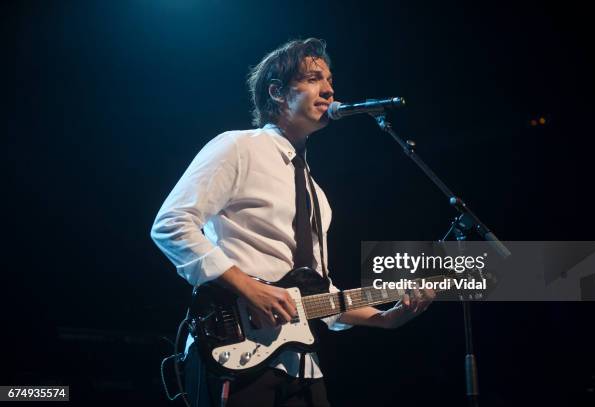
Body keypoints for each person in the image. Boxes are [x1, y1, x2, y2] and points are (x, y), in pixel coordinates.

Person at [151, 38, 434, 407]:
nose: (330, 89)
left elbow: (317, 295)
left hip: (303, 368)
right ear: (278, 93)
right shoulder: (238, 147)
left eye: (330, 79)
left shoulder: (317, 194)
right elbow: (171, 224)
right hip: (233, 354)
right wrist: (250, 288)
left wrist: (387, 319)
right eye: (314, 78)